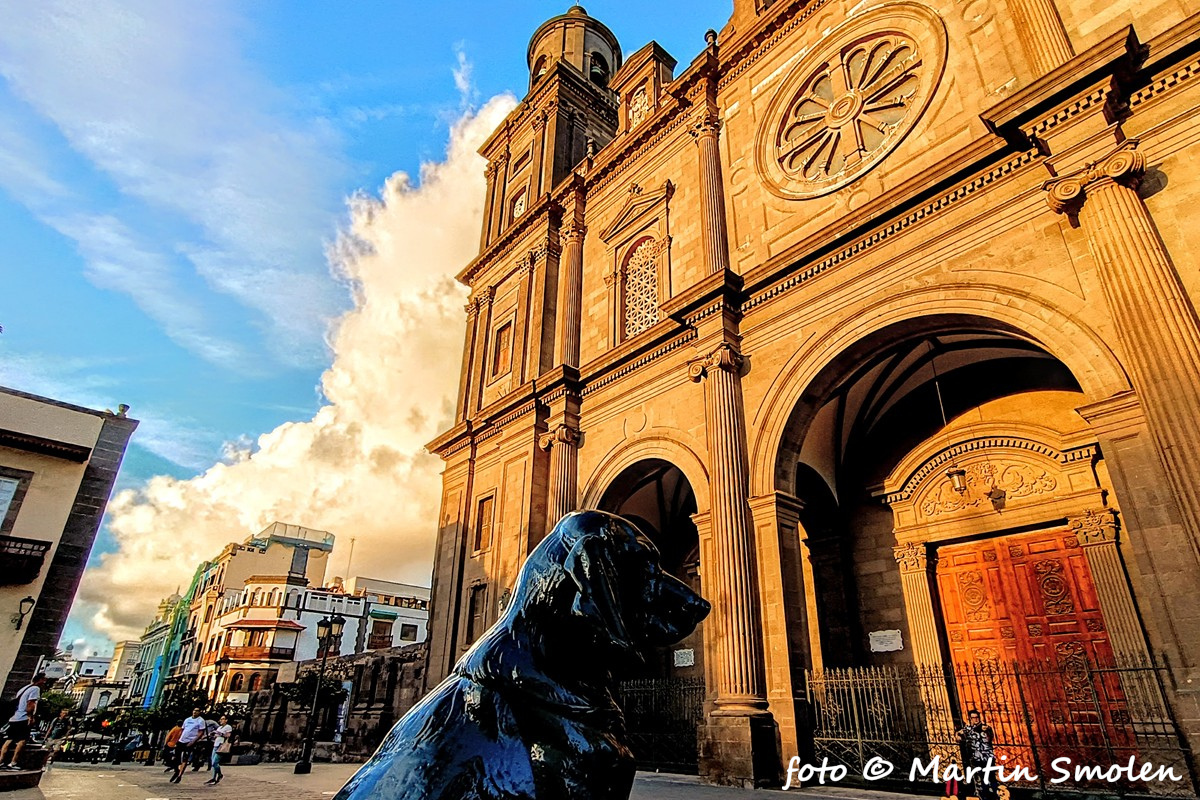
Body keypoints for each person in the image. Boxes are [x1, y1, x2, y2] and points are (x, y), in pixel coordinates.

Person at [0, 673, 48, 771]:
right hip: (23, 718)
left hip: (14, 717)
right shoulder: (35, 689)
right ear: (40, 680)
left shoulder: (25, 688)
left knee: (9, 739)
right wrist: (30, 716)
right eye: (44, 680)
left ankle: (1, 761)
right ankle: (13, 762)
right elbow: (31, 703)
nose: (45, 683)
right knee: (22, 740)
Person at [957, 708, 1000, 800]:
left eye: (977, 717)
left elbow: (990, 738)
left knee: (991, 776)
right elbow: (958, 735)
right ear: (970, 719)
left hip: (988, 756)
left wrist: (987, 731)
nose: (975, 719)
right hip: (977, 757)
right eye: (973, 718)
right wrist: (959, 736)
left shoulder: (985, 727)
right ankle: (984, 795)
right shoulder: (968, 729)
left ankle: (995, 794)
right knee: (981, 777)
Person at [171, 708, 207, 784]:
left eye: (197, 711)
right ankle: (176, 770)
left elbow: (201, 732)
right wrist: (178, 739)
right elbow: (183, 730)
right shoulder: (187, 719)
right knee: (175, 757)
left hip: (190, 741)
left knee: (185, 758)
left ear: (199, 712)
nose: (195, 712)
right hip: (181, 740)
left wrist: (194, 741)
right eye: (194, 710)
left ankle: (179, 775)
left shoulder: (200, 721)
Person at [205, 715, 233, 786]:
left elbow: (228, 735)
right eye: (221, 719)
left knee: (215, 762)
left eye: (223, 719)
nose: (221, 720)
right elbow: (216, 736)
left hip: (221, 746)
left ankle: (220, 774)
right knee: (213, 763)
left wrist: (218, 733)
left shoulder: (228, 727)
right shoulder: (219, 727)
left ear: (226, 720)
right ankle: (214, 777)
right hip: (216, 744)